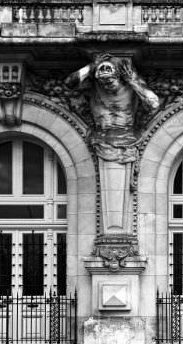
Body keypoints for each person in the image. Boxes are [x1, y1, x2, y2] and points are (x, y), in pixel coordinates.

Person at [66, 55, 159, 235]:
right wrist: (91, 66)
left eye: (111, 81)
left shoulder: (131, 88)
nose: (107, 85)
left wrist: (133, 81)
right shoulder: (93, 88)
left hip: (126, 138)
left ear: (118, 76)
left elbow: (153, 103)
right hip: (101, 137)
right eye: (103, 81)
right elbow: (69, 82)